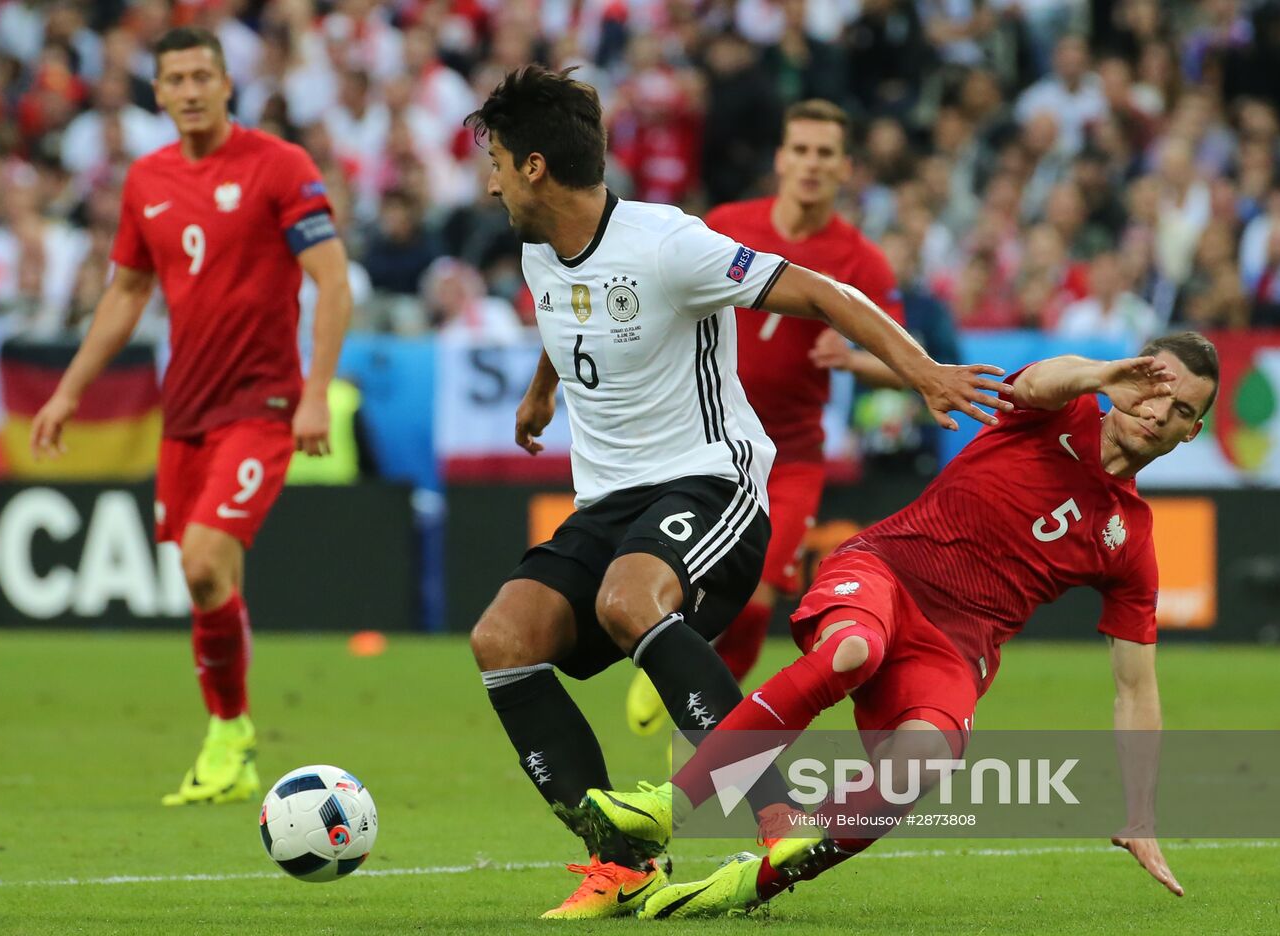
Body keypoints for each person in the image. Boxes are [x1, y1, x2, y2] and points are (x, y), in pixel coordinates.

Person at [464, 65, 1012, 920]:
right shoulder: (539, 249)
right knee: (501, 639)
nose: (488, 176)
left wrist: (924, 374)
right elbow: (562, 309)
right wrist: (543, 392)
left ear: (535, 166)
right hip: (603, 501)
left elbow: (824, 293)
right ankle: (620, 865)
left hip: (711, 482)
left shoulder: (669, 242)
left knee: (628, 597)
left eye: (496, 157)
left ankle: (778, 817)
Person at [587, 332, 1219, 917]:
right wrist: (1101, 375)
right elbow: (1036, 382)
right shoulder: (1062, 409)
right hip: (885, 572)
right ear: (1126, 381)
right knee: (853, 650)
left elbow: (1136, 686)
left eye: (1185, 410)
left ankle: (749, 884)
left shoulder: (1129, 539)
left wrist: (1139, 811)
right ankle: (672, 805)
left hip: (955, 650)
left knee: (927, 759)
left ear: (1191, 433)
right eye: (1155, 389)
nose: (1161, 413)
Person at [29, 27, 352, 807]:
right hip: (187, 411)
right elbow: (128, 292)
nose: (191, 89)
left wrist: (314, 392)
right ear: (159, 91)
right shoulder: (147, 179)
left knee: (204, 562)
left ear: (227, 83)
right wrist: (70, 388)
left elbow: (333, 283)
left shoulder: (281, 166)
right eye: (175, 78)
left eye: (203, 74)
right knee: (208, 582)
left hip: (262, 405)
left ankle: (230, 732)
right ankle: (230, 746)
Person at [624, 99, 907, 735]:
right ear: (781, 159)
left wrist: (856, 359)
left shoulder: (862, 262)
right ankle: (684, 687)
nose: (810, 164)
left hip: (792, 459)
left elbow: (906, 360)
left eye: (824, 153)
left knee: (753, 608)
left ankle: (705, 727)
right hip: (704, 445)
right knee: (674, 580)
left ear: (845, 168)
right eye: (800, 150)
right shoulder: (728, 223)